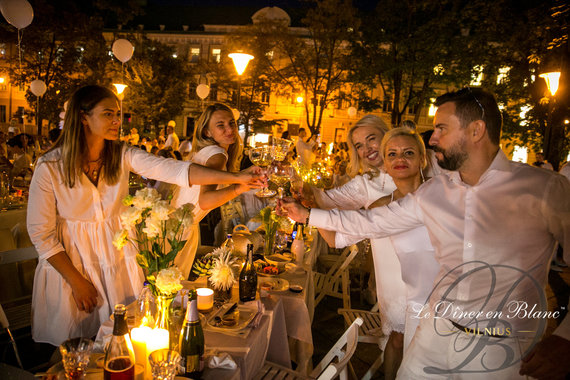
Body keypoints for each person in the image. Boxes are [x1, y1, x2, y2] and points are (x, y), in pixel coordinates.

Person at [281, 88, 570, 379]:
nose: (432, 138)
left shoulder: (545, 189)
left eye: (441, 129)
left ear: (476, 130)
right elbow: (372, 221)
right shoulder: (434, 192)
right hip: (433, 334)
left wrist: (565, 338)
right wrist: (306, 215)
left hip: (500, 348)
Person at [27, 85, 263, 346]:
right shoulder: (50, 166)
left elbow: (175, 170)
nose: (118, 121)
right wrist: (77, 281)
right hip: (72, 265)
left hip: (118, 263)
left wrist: (237, 179)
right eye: (108, 114)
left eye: (118, 114)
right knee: (72, 346)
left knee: (121, 340)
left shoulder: (122, 155)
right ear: (83, 117)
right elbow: (41, 234)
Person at [294, 115, 408, 380]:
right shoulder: (364, 183)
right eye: (358, 145)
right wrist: (303, 192)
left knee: (422, 340)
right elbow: (325, 202)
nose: (366, 148)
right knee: (396, 339)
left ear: (386, 136)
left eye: (371, 138)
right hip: (390, 269)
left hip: (425, 262)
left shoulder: (416, 169)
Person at [170, 103, 255, 278]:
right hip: (180, 231)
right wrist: (238, 188)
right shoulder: (217, 154)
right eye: (220, 125)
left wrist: (244, 175)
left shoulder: (206, 151)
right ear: (207, 132)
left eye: (231, 123)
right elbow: (205, 200)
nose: (229, 129)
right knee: (173, 283)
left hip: (176, 224)